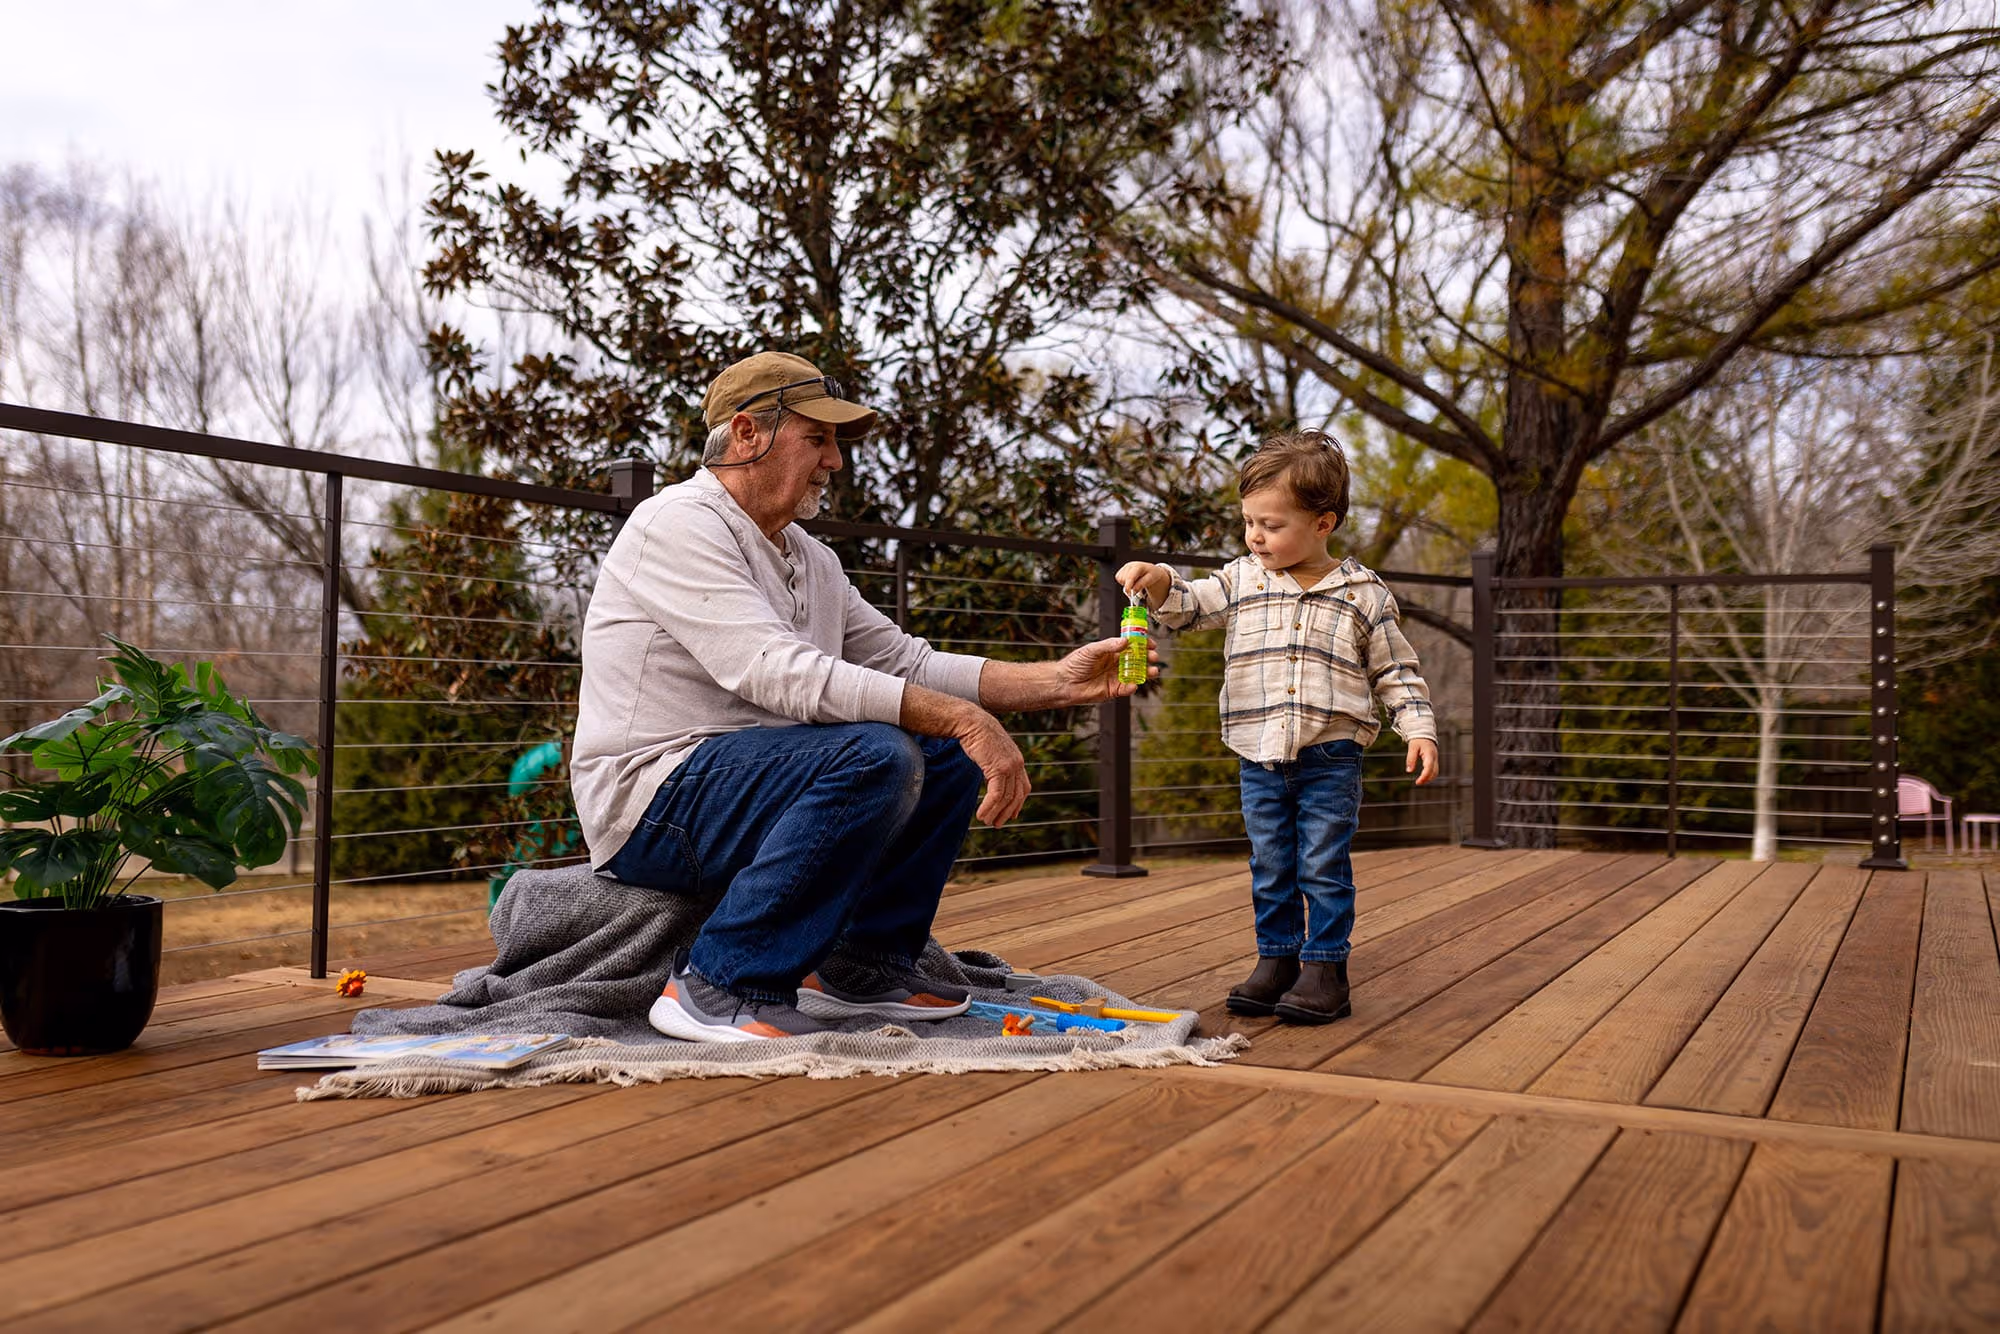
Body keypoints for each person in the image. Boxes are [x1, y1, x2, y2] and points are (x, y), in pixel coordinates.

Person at [571, 350, 1148, 1043]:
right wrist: (966, 718)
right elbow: (774, 670)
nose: (836, 461)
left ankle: (861, 965)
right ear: (748, 433)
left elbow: (906, 661)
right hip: (650, 805)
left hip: (747, 783)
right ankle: (720, 983)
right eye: (818, 438)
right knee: (878, 752)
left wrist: (1056, 680)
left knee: (939, 751)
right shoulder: (678, 524)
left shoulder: (810, 557)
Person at [1116, 430, 1439, 1024]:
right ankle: (1277, 960)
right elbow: (1189, 605)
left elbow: (1395, 669)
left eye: (1271, 524)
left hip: (1330, 756)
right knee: (1271, 865)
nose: (1255, 537)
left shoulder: (1362, 593)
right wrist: (1159, 579)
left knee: (1322, 865)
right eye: (1249, 522)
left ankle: (1325, 968)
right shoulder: (1242, 580)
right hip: (1256, 755)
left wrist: (1417, 728)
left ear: (1323, 522)